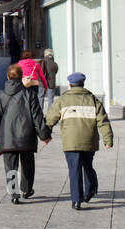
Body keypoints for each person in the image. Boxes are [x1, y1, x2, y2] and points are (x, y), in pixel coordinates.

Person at [41, 71, 113, 211]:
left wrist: (45, 135)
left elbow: (50, 119)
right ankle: (90, 190)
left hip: (70, 142)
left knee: (74, 169)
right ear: (82, 84)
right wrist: (107, 139)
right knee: (87, 166)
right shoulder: (92, 99)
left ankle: (76, 200)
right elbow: (103, 121)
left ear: (70, 85)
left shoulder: (62, 100)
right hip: (89, 141)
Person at [0, 64, 44, 203]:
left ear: (8, 76)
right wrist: (44, 134)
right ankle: (26, 189)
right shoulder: (30, 94)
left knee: (10, 166)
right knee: (28, 164)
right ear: (21, 77)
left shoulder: (1, 95)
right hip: (27, 136)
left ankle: (14, 194)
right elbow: (37, 117)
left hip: (7, 138)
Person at [40, 49, 60, 113]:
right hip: (51, 83)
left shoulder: (42, 62)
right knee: (51, 99)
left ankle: (40, 113)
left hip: (42, 83)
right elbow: (55, 72)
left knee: (40, 97)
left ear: (45, 54)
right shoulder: (55, 64)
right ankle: (49, 114)